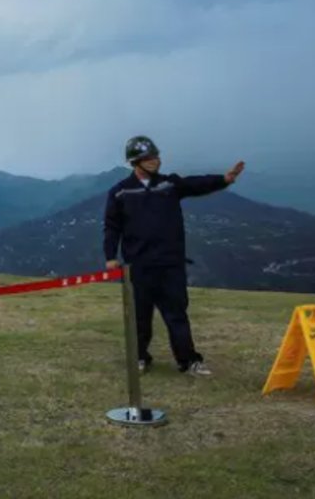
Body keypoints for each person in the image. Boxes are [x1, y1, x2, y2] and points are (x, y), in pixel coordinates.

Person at [103, 135, 244, 377]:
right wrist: (110, 256)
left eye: (156, 156)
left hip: (171, 265)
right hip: (139, 266)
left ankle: (188, 362)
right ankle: (139, 358)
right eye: (148, 158)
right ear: (134, 162)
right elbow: (112, 226)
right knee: (140, 318)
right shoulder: (120, 192)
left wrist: (224, 180)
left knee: (177, 315)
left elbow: (195, 184)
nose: (155, 161)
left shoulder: (169, 184)